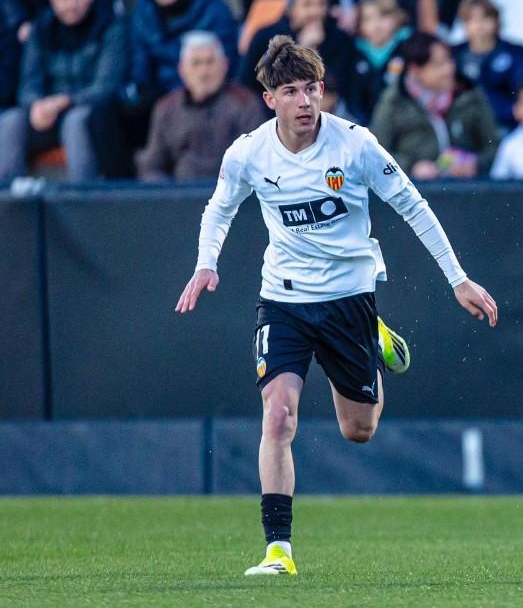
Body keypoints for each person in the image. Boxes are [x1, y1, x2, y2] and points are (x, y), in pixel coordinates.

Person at [175, 35, 498, 577]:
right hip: (282, 299)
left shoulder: (356, 145)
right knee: (278, 418)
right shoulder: (248, 153)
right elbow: (219, 209)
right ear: (269, 98)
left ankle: (377, 338)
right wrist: (207, 262)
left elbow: (413, 208)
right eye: (291, 91)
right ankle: (279, 551)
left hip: (350, 297)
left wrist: (458, 279)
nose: (305, 101)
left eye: (312, 89)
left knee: (359, 430)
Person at [0, 0, 127, 183]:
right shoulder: (40, 29)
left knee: (76, 121)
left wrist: (64, 101)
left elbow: (106, 87)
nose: (72, 3)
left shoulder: (111, 26)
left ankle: (82, 201)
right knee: (11, 120)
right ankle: (9, 205)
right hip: (47, 117)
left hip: (88, 113)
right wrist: (35, 105)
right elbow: (28, 85)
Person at [136, 31, 265, 181]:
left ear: (224, 66)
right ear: (182, 70)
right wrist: (169, 195)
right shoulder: (166, 108)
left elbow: (257, 162)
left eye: (210, 62)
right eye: (196, 63)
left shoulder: (246, 104)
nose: (204, 72)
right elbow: (151, 166)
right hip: (180, 197)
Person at [371, 32, 501, 180]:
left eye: (449, 60)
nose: (448, 69)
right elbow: (376, 154)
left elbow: (494, 146)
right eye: (438, 65)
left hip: (466, 192)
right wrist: (411, 167)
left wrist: (476, 164)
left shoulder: (470, 94)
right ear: (415, 70)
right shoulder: (393, 102)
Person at [238, 0, 356, 114]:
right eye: (307, 4)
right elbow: (248, 88)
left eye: (321, 4)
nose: (316, 11)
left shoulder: (339, 39)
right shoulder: (266, 38)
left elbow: (341, 90)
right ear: (291, 7)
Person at [131, 0, 239, 106]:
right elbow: (140, 68)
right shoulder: (143, 13)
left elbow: (227, 64)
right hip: (159, 98)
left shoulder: (212, 9)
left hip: (207, 94)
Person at [451, 0, 523, 130]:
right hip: (465, 124)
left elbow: (522, 88)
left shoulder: (514, 51)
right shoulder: (454, 53)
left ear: (496, 21)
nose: (479, 25)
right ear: (464, 24)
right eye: (472, 19)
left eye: (485, 18)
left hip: (503, 121)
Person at [346, 0, 410, 125]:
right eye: (368, 19)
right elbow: (353, 97)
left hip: (402, 122)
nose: (376, 25)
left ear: (396, 17)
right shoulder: (356, 53)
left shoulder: (408, 47)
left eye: (383, 16)